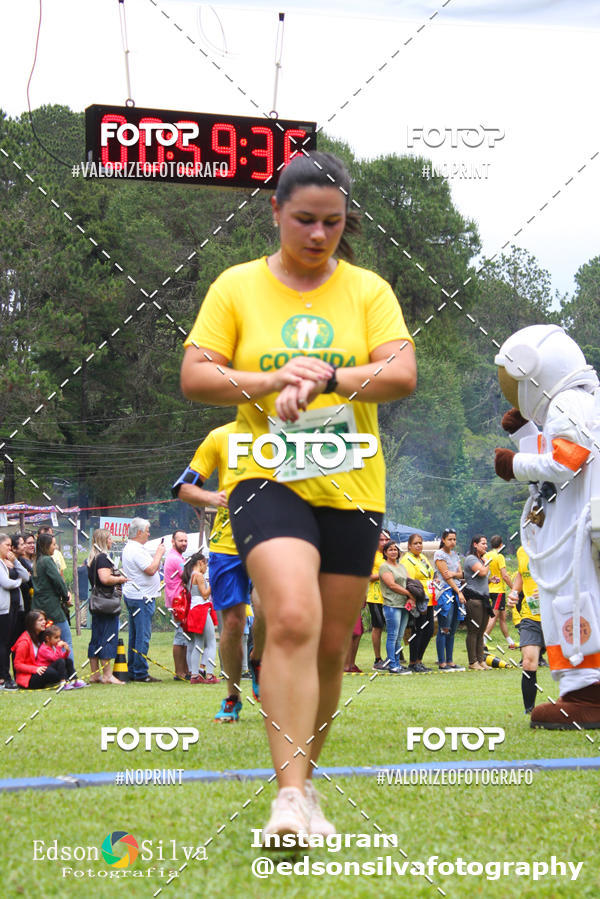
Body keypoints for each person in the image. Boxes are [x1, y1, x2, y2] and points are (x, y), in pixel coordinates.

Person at [179, 150, 416, 838]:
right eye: (305, 219)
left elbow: (401, 372)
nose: (318, 234)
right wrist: (272, 381)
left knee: (328, 645)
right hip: (264, 475)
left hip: (351, 479)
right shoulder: (236, 286)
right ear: (275, 211)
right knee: (287, 615)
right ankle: (286, 797)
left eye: (334, 223)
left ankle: (306, 786)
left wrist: (330, 378)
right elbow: (197, 375)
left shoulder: (368, 289)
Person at [494, 324, 600, 728]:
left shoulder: (566, 404)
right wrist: (525, 433)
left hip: (574, 529)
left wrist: (512, 464)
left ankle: (586, 696)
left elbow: (565, 461)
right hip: (572, 519)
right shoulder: (580, 402)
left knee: (572, 600)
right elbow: (559, 461)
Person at [172, 422, 265, 721]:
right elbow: (183, 487)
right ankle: (232, 697)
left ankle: (259, 660)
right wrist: (213, 497)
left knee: (267, 610)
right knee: (234, 625)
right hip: (227, 546)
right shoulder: (220, 437)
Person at [121, 518, 165, 683]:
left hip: (135, 595)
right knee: (143, 635)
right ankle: (140, 671)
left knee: (135, 634)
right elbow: (151, 570)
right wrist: (159, 554)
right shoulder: (136, 550)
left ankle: (133, 668)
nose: (149, 533)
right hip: (142, 598)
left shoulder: (131, 548)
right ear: (139, 532)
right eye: (147, 530)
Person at [86, 528, 128, 685]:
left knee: (96, 638)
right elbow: (104, 579)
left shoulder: (92, 559)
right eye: (110, 539)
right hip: (107, 604)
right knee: (108, 637)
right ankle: (107, 675)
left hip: (97, 603)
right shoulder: (103, 558)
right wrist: (120, 579)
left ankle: (94, 674)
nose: (112, 541)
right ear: (104, 541)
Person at [507, 546, 544, 714]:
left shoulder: (557, 544)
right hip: (530, 615)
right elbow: (522, 575)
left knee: (565, 663)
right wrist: (514, 592)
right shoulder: (522, 550)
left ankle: (572, 706)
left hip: (557, 614)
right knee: (528, 661)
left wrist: (547, 590)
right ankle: (529, 709)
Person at [31, 533, 73, 661]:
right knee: (66, 639)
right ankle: (71, 674)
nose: (56, 547)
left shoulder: (36, 561)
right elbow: (58, 581)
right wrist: (66, 597)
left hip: (38, 606)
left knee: (44, 642)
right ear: (46, 546)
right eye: (53, 544)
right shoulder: (47, 560)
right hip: (53, 608)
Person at [183, 553, 219, 684]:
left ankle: (194, 675)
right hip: (202, 609)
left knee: (197, 644)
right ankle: (209, 675)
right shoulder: (199, 576)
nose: (206, 568)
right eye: (206, 564)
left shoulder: (190, 575)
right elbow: (204, 595)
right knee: (211, 643)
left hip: (193, 610)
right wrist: (212, 585)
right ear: (200, 563)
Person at [401, 534, 435, 672]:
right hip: (419, 600)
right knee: (418, 631)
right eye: (415, 543)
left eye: (420, 543)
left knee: (429, 630)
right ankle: (413, 661)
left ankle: (419, 660)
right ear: (409, 546)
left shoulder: (422, 558)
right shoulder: (407, 560)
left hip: (430, 599)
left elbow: (429, 574)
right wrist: (414, 599)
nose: (419, 545)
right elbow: (409, 582)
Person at [379, 541, 413, 674]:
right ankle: (392, 664)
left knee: (399, 637)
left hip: (404, 605)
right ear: (385, 552)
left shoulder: (402, 567)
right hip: (392, 605)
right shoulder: (384, 567)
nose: (393, 552)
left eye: (395, 549)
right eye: (390, 550)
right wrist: (409, 593)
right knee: (392, 635)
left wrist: (412, 596)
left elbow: (409, 582)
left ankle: (397, 662)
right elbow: (392, 585)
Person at [433, 529, 465, 670]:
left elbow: (461, 574)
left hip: (456, 591)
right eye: (450, 539)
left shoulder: (455, 555)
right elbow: (447, 576)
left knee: (452, 628)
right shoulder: (439, 554)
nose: (453, 542)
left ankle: (450, 660)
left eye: (454, 539)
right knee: (444, 628)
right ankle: (442, 662)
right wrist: (458, 590)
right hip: (445, 593)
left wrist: (455, 575)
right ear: (443, 540)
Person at [13, 610, 65, 689]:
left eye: (44, 619)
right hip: (29, 677)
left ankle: (71, 680)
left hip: (42, 668)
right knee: (52, 673)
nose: (44, 622)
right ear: (32, 623)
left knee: (63, 662)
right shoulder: (24, 642)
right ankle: (63, 680)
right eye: (40, 620)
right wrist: (35, 669)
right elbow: (17, 665)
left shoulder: (40, 637)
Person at [0, 534, 27, 690]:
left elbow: (26, 576)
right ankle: (4, 677)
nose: (9, 549)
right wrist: (17, 583)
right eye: (7, 545)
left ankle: (8, 675)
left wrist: (15, 561)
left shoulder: (8, 563)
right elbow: (6, 583)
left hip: (15, 608)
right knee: (3, 643)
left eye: (11, 545)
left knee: (10, 643)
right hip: (4, 609)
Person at [163, 529, 191, 680]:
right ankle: (179, 672)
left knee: (183, 636)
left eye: (185, 540)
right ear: (173, 541)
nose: (184, 543)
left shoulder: (176, 556)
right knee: (180, 637)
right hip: (178, 602)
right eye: (181, 540)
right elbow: (188, 577)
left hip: (178, 601)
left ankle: (184, 670)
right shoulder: (175, 558)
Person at [463, 535, 493, 670]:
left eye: (486, 544)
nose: (485, 546)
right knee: (473, 631)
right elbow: (481, 573)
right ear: (475, 545)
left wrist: (491, 580)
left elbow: (482, 578)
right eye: (483, 543)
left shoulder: (481, 560)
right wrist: (487, 563)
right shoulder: (471, 559)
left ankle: (481, 661)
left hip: (484, 600)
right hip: (474, 601)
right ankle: (472, 661)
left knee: (481, 632)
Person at [484, 535, 516, 650]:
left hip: (489, 589)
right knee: (494, 616)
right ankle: (483, 641)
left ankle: (510, 641)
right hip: (498, 591)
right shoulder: (499, 556)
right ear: (501, 545)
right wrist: (513, 588)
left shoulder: (487, 555)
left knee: (502, 617)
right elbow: (505, 576)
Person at [367, 531, 387, 670]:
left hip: (390, 597)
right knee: (378, 626)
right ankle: (377, 659)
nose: (384, 542)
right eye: (381, 540)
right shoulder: (371, 555)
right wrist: (383, 574)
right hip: (375, 596)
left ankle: (394, 657)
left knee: (392, 628)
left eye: (387, 540)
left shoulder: (390, 555)